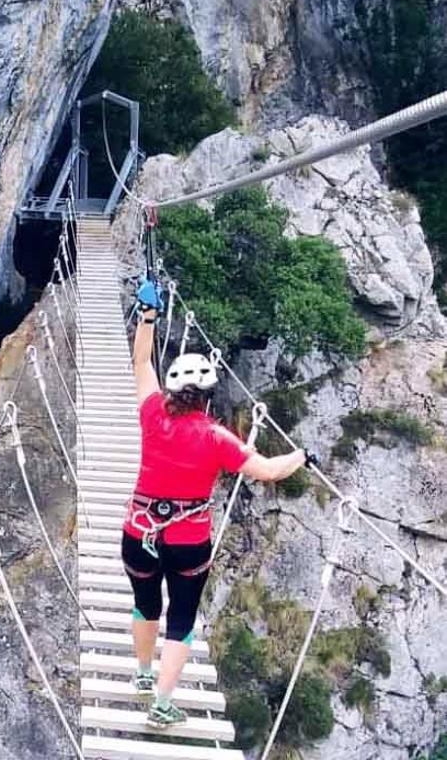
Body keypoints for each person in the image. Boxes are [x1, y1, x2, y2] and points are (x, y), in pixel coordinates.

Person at [125, 282, 311, 728]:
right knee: (182, 618)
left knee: (145, 603)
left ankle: (144, 675)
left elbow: (141, 364)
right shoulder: (217, 437)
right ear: (207, 396)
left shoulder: (151, 412)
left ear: (173, 390)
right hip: (188, 542)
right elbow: (268, 470)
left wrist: (148, 317)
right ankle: (162, 705)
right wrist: (301, 456)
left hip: (138, 531)